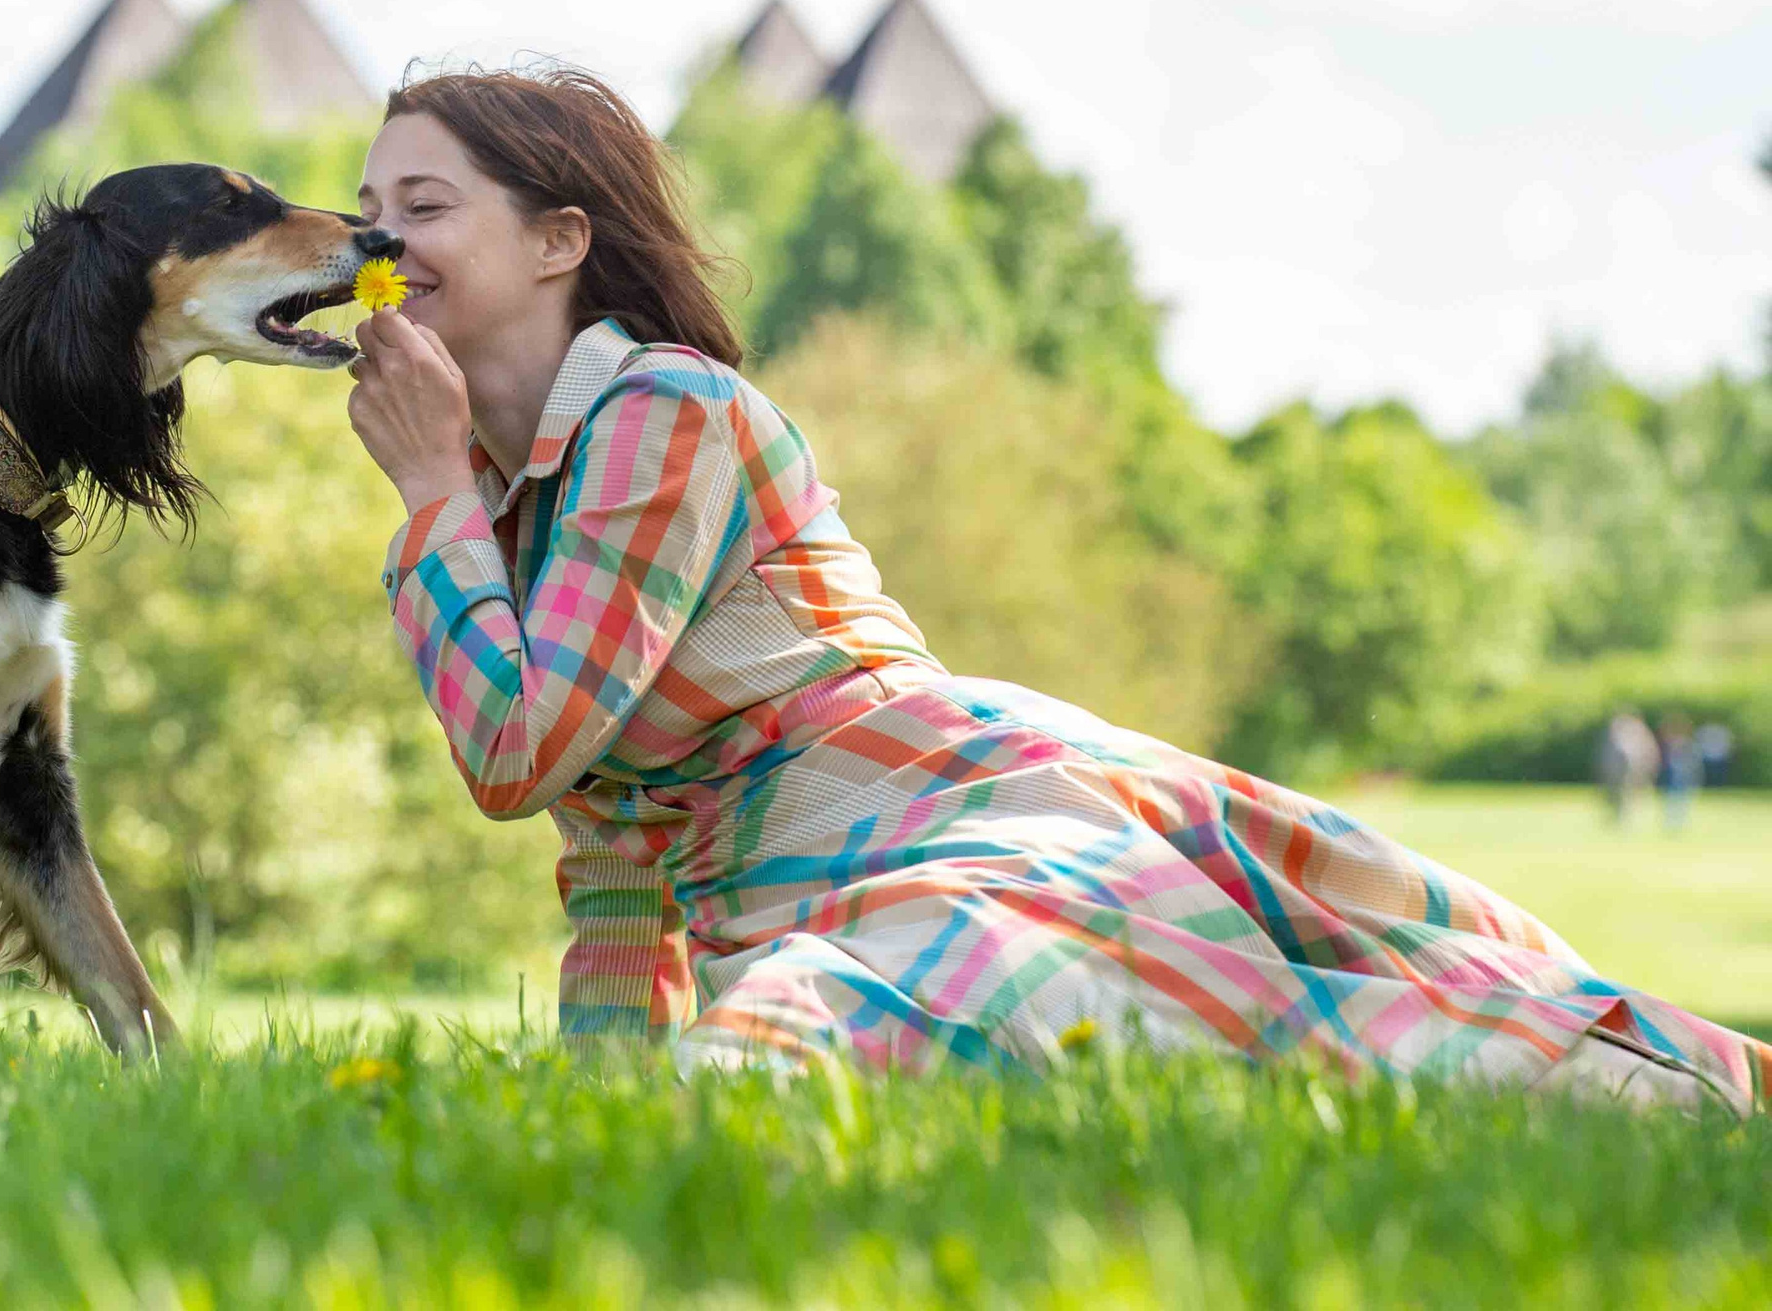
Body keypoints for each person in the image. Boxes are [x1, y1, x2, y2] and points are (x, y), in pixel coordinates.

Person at [344, 66, 1770, 1115]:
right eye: (366, 209)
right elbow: (607, 861)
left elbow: (514, 753)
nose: (374, 241)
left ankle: (1681, 1110)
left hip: (947, 811)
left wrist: (428, 504)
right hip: (788, 896)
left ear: (559, 240)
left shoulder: (664, 413)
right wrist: (607, 1112)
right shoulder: (495, 493)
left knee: (1319, 1018)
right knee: (818, 1065)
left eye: (424, 204)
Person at [1593, 710, 1660, 826]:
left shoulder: (1637, 734)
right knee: (1614, 796)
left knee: (1628, 796)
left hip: (1629, 773)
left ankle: (1624, 818)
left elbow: (1648, 755)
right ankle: (1616, 817)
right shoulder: (1615, 736)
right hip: (1615, 773)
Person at [1657, 718, 1702, 832]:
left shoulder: (1689, 746)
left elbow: (1694, 764)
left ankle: (1678, 823)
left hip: (1683, 777)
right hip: (1673, 778)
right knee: (1672, 800)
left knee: (1681, 801)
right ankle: (1672, 822)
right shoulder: (1670, 745)